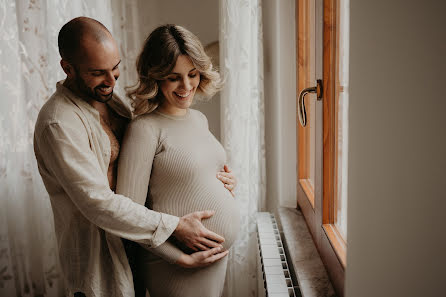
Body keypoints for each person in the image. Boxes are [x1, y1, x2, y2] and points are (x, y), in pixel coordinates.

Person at [33, 17, 235, 297]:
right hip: (100, 257)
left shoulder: (109, 100)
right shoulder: (59, 124)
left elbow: (157, 170)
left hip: (137, 245)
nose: (110, 81)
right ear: (68, 68)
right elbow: (97, 202)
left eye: (115, 69)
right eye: (97, 72)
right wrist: (175, 229)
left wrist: (215, 181)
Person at [116, 24, 241, 297]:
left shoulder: (199, 119)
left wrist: (227, 182)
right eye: (174, 78)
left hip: (212, 260)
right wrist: (182, 259)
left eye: (192, 74)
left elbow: (194, 173)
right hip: (174, 265)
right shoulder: (144, 130)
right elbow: (128, 215)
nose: (187, 86)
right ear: (155, 77)